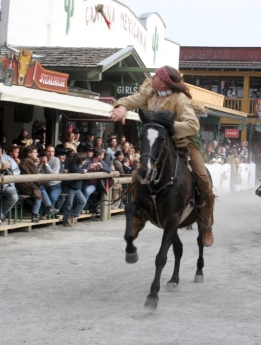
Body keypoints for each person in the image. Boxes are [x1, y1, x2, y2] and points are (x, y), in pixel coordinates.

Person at [109, 65, 216, 247]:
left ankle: (206, 224)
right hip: (157, 146)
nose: (152, 77)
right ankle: (139, 215)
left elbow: (192, 126)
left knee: (203, 179)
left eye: (156, 76)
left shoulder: (181, 100)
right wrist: (121, 107)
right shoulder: (150, 93)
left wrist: (166, 126)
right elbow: (131, 100)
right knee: (137, 174)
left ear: (164, 82)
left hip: (183, 144)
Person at [17, 145, 59, 223]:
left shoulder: (28, 161)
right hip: (25, 186)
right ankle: (48, 207)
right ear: (29, 154)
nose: (37, 154)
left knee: (39, 192)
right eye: (35, 152)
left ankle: (40, 212)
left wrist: (37, 165)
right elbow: (36, 175)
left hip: (28, 184)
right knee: (40, 189)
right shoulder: (28, 161)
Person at [0, 142, 19, 222]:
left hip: (7, 185)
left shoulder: (8, 158)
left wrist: (11, 174)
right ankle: (1, 216)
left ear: (1, 151)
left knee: (14, 197)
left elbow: (17, 171)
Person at [80, 148, 112, 212]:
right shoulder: (87, 161)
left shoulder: (101, 162)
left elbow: (109, 170)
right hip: (83, 182)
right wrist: (88, 168)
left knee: (87, 191)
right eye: (102, 155)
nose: (103, 156)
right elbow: (80, 169)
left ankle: (80, 208)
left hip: (94, 185)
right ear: (98, 156)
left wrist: (101, 167)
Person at [61, 153, 88, 227]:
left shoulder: (80, 166)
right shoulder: (73, 166)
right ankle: (65, 221)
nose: (85, 161)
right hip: (70, 188)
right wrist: (83, 171)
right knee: (68, 205)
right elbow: (77, 170)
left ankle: (71, 216)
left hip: (77, 189)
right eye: (84, 160)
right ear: (80, 160)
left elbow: (82, 169)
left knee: (83, 201)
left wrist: (87, 169)